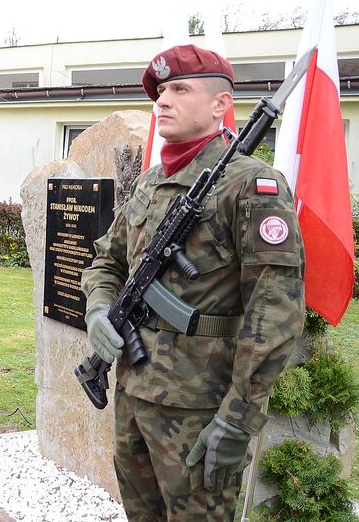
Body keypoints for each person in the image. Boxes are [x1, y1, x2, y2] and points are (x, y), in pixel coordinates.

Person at [80, 44, 305, 520]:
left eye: (180, 90)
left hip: (200, 409)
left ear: (221, 104)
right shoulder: (151, 182)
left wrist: (238, 418)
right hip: (134, 393)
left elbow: (275, 313)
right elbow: (107, 260)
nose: (162, 101)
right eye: (161, 92)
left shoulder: (252, 186)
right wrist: (99, 308)